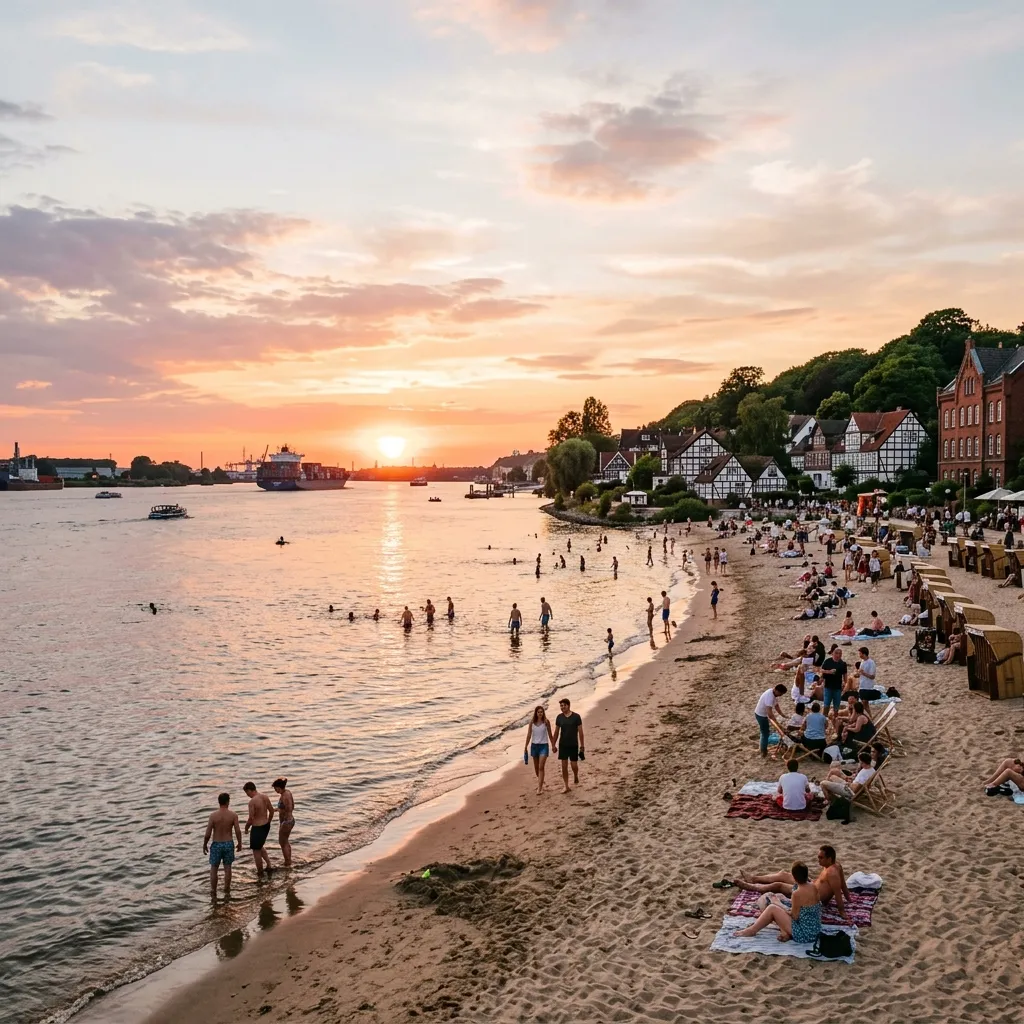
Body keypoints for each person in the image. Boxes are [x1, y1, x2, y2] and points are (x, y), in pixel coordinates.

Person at [735, 845, 850, 922]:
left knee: (779, 885)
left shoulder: (832, 873)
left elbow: (838, 891)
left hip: (810, 894)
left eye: (821, 858)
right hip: (811, 885)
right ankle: (754, 879)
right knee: (784, 875)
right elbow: (844, 885)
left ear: (829, 858)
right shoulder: (836, 865)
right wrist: (849, 898)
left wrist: (842, 911)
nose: (818, 860)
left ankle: (753, 887)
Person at [733, 862, 822, 943]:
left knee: (772, 908)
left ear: (794, 877)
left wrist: (778, 904)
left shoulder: (797, 893)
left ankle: (752, 930)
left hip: (804, 934)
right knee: (779, 899)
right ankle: (784, 931)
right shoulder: (813, 887)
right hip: (815, 929)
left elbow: (794, 916)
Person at [203, 792, 242, 898]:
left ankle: (213, 891)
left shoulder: (213, 816)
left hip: (216, 844)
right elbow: (238, 831)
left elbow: (208, 833)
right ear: (228, 802)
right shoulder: (233, 815)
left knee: (214, 868)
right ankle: (226, 890)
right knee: (228, 867)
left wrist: (205, 844)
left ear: (219, 802)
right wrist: (240, 843)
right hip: (228, 843)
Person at [242, 781, 275, 877]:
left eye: (246, 793)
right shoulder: (265, 796)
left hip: (257, 828)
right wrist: (269, 821)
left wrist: (246, 828)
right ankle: (269, 864)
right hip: (266, 826)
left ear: (249, 790)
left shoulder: (252, 802)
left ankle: (260, 872)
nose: (247, 795)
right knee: (260, 846)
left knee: (256, 851)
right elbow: (272, 811)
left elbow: (251, 819)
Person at [552, 698, 584, 792]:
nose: (562, 707)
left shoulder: (576, 717)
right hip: (563, 745)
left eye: (564, 705)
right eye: (561, 706)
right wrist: (553, 744)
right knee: (564, 766)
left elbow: (581, 732)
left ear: (568, 705)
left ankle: (575, 775)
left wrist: (582, 746)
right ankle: (566, 786)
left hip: (573, 744)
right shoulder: (559, 717)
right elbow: (556, 732)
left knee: (574, 765)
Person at [523, 705, 556, 794]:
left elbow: (550, 734)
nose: (540, 713)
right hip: (534, 746)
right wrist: (525, 746)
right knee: (536, 768)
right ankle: (540, 782)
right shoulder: (532, 723)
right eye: (538, 712)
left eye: (541, 712)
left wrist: (553, 745)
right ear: (536, 713)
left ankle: (539, 788)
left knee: (541, 767)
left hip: (544, 746)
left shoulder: (546, 722)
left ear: (543, 713)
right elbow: (529, 735)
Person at [754, 683, 787, 756]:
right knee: (765, 733)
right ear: (777, 690)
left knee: (763, 732)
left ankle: (761, 747)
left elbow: (776, 705)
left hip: (761, 714)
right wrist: (776, 723)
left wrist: (782, 714)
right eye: (781, 693)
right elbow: (769, 712)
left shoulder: (773, 693)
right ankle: (763, 751)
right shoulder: (770, 697)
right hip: (761, 715)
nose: (781, 695)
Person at [272, 778, 295, 867]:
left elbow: (289, 809)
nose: (275, 790)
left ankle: (287, 862)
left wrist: (278, 809)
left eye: (275, 788)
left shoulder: (285, 795)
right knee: (285, 841)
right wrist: (277, 810)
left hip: (287, 822)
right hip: (289, 821)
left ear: (279, 787)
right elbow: (292, 806)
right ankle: (288, 861)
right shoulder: (287, 793)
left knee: (282, 842)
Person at [821, 646, 846, 717]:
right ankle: (824, 718)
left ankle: (835, 719)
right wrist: (829, 672)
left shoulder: (842, 663)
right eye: (836, 653)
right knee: (826, 704)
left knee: (836, 705)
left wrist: (845, 683)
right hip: (828, 686)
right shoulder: (827, 661)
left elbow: (845, 674)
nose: (838, 655)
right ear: (833, 653)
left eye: (840, 654)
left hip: (838, 687)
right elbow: (821, 670)